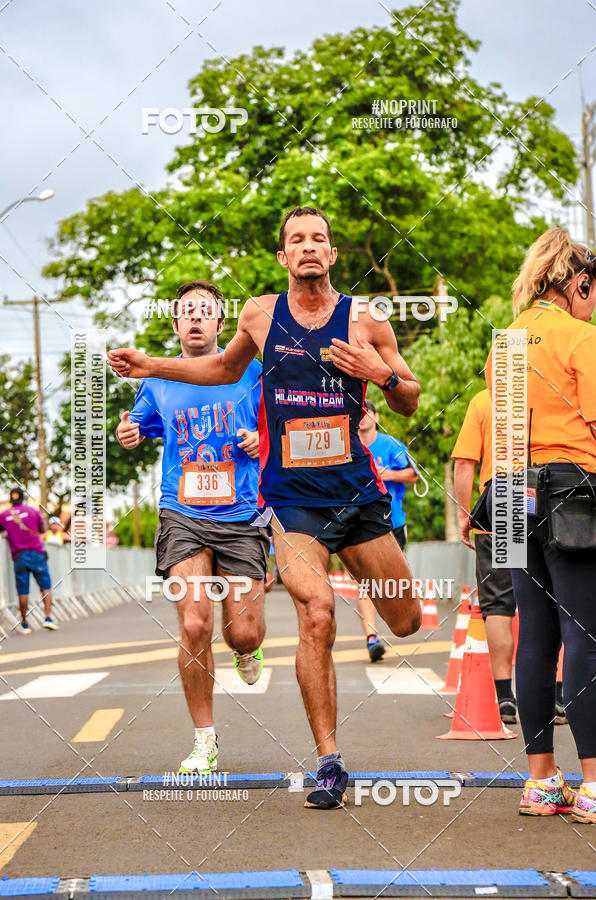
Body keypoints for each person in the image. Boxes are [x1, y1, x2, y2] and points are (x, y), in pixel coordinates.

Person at [109, 205, 422, 809]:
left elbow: (408, 400)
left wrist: (380, 374)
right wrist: (152, 365)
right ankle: (329, 762)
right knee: (318, 612)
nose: (309, 247)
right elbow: (221, 367)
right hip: (290, 498)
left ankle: (380, 623)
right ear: (283, 257)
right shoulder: (259, 314)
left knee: (405, 620)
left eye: (319, 240)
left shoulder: (365, 318)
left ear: (332, 256)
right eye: (296, 240)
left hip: (355, 493)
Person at [116, 279, 270, 776]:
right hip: (181, 512)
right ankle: (204, 740)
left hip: (242, 514)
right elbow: (138, 424)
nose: (197, 318)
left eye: (207, 311)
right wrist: (129, 431)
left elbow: (278, 425)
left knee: (242, 632)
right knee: (194, 622)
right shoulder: (158, 379)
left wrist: (256, 439)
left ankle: (247, 649)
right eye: (188, 311)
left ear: (222, 324)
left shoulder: (250, 370)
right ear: (177, 321)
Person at [483, 227, 596, 821]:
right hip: (575, 491)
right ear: (579, 283)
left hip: (510, 494)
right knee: (587, 636)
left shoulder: (505, 343)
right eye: (594, 293)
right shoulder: (583, 339)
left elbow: (503, 431)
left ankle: (541, 780)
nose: (594, 305)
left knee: (536, 634)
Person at [452, 388, 518, 723]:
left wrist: (466, 513)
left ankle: (506, 698)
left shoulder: (485, 400)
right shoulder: (560, 391)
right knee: (556, 600)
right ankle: (559, 697)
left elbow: (465, 462)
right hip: (552, 498)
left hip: (504, 502)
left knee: (500, 605)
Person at [356, 398, 418, 662]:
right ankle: (371, 638)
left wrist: (386, 475)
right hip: (358, 524)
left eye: (367, 412)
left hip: (392, 523)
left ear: (376, 417)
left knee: (391, 585)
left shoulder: (391, 445)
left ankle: (394, 622)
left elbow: (413, 475)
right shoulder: (349, 446)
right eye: (358, 412)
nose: (362, 417)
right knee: (364, 583)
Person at [0, 488, 58, 633]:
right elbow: (42, 530)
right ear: (23, 498)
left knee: (22, 590)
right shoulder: (33, 511)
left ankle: (25, 623)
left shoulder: (4, 515)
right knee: (45, 585)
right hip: (37, 553)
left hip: (19, 556)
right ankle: (48, 617)